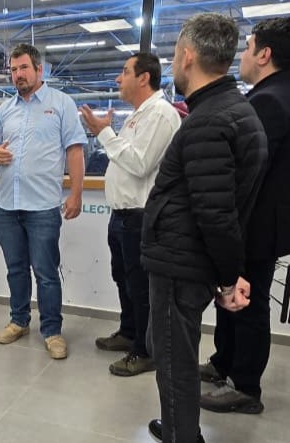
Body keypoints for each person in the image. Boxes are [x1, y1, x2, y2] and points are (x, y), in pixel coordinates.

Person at [140, 14, 268, 443]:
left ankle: (182, 435)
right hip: (185, 259)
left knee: (173, 360)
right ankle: (180, 426)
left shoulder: (210, 121)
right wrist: (230, 272)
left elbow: (216, 214)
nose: (173, 63)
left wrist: (229, 278)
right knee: (166, 347)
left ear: (188, 56)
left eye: (175, 54)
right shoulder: (227, 110)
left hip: (182, 263)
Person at [200, 17, 290, 415]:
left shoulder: (269, 101)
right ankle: (224, 363)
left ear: (265, 54)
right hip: (261, 223)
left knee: (247, 302)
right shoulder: (276, 93)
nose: (243, 55)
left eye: (248, 47)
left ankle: (245, 387)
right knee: (231, 296)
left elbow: (248, 173)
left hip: (255, 225)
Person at [80, 53, 181, 376]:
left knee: (141, 287)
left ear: (144, 78)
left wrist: (104, 133)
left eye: (124, 72)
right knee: (123, 278)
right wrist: (108, 133)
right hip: (122, 215)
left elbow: (139, 164)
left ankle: (145, 350)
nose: (118, 78)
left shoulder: (161, 114)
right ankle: (129, 332)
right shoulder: (138, 115)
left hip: (141, 216)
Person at [0, 43, 87, 359]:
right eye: (13, 70)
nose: (18, 75)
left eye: (23, 68)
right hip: (6, 207)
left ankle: (52, 331)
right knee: (15, 269)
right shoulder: (5, 108)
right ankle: (19, 321)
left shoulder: (61, 104)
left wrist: (76, 193)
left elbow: (75, 150)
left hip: (42, 207)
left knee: (45, 272)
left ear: (39, 69)